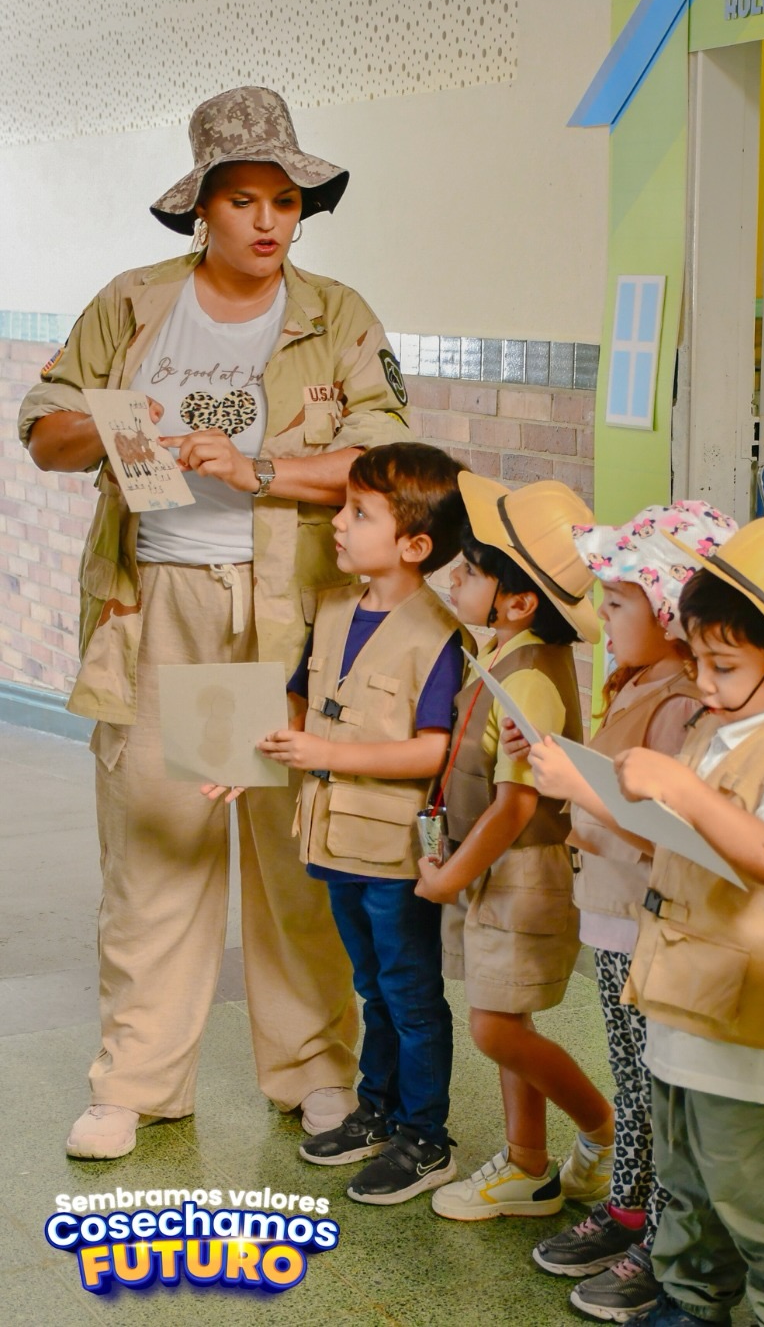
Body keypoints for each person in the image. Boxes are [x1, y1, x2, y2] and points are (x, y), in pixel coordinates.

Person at [17, 85, 411, 1159]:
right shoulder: (136, 304)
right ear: (204, 209)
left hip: (286, 614)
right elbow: (41, 430)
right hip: (166, 605)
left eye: (285, 199)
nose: (269, 221)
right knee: (163, 845)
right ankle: (136, 1081)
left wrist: (263, 467)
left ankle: (316, 1072)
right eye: (244, 200)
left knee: (291, 857)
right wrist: (108, 427)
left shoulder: (337, 315)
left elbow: (387, 467)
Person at [611, 516, 764, 1327]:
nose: (706, 684)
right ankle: (687, 1306)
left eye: (725, 666)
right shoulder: (724, 728)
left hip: (747, 1026)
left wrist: (678, 789)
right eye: (699, 661)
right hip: (684, 1000)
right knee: (687, 1186)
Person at [509, 502, 737, 1323]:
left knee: (651, 1089)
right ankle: (636, 1210)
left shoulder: (680, 701)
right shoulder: (637, 683)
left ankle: (662, 1235)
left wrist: (576, 790)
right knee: (635, 1083)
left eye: (616, 604)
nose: (603, 621)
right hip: (611, 921)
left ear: (672, 613)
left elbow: (659, 833)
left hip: (644, 924)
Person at [249, 442, 470, 1205]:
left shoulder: (439, 632)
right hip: (332, 840)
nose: (337, 523)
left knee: (410, 994)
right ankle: (374, 1110)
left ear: (415, 545)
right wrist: (231, 751)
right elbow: (299, 703)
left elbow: (433, 749)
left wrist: (320, 747)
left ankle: (425, 1135)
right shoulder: (336, 608)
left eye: (357, 513)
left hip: (394, 852)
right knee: (372, 987)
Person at [414, 475, 616, 1221]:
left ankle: (602, 1129)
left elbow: (517, 803)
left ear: (519, 601)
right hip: (495, 875)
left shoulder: (530, 676)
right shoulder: (505, 652)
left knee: (494, 1027)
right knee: (507, 1022)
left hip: (521, 873)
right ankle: (528, 1165)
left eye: (469, 572)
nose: (452, 580)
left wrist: (452, 876)